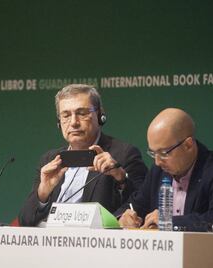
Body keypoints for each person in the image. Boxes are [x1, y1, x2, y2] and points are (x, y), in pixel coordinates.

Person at [19, 84, 147, 226]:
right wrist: (43, 193)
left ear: (100, 115)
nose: (73, 122)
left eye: (82, 113)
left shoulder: (123, 154)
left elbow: (142, 203)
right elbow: (25, 220)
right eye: (66, 115)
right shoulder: (49, 160)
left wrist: (121, 178)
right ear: (58, 122)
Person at [117, 108, 213, 231]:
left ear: (188, 145)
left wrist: (169, 222)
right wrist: (124, 217)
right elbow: (135, 204)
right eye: (153, 153)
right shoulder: (158, 172)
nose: (157, 162)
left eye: (164, 153)